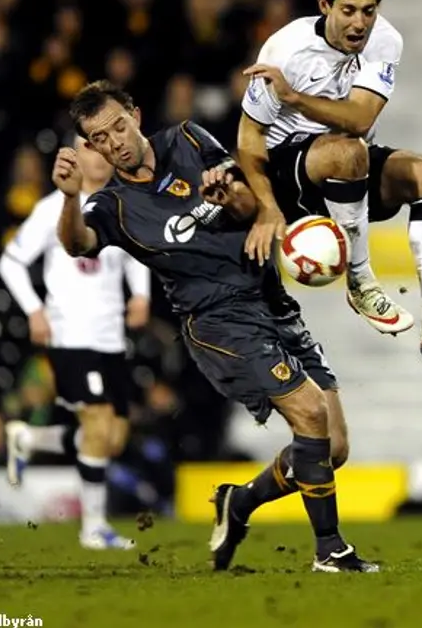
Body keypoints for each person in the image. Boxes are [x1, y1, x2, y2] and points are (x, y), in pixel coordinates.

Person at [52, 79, 376, 573]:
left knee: (332, 447)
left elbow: (251, 208)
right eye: (99, 137)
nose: (114, 141)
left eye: (118, 126)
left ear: (135, 115)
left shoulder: (188, 139)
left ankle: (239, 503)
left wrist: (229, 197)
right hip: (217, 320)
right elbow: (78, 245)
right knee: (309, 413)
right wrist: (70, 199)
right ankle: (330, 549)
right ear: (91, 146)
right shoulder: (111, 205)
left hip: (271, 299)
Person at [237, 0, 422, 361]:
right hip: (291, 177)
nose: (360, 22)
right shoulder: (284, 51)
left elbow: (360, 118)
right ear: (324, 4)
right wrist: (268, 207)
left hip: (348, 172)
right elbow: (249, 138)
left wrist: (295, 98)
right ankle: (361, 283)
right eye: (348, 10)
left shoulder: (385, 40)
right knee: (350, 153)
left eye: (369, 10)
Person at [0, 135, 151, 550]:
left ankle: (31, 440)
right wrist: (34, 310)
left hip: (111, 338)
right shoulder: (52, 209)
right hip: (71, 335)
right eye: (88, 149)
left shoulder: (118, 204)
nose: (98, 158)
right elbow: (10, 262)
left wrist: (140, 295)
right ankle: (94, 528)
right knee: (99, 422)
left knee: (113, 437)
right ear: (74, 157)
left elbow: (134, 254)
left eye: (102, 150)